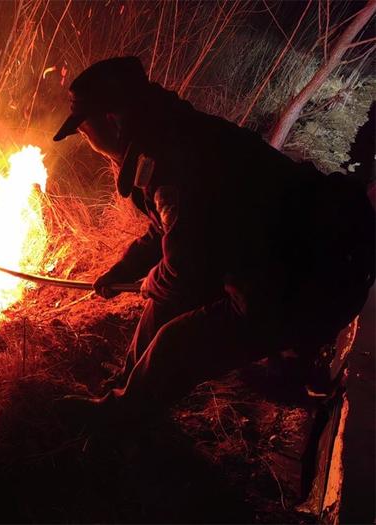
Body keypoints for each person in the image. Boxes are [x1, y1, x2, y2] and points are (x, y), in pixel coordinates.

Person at [53, 56, 374, 422]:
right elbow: (170, 228)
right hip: (297, 263)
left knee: (175, 343)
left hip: (317, 280)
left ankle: (121, 419)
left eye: (83, 128)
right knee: (164, 304)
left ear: (111, 119)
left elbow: (187, 270)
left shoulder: (172, 158)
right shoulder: (169, 134)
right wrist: (124, 269)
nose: (84, 137)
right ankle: (127, 388)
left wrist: (151, 282)